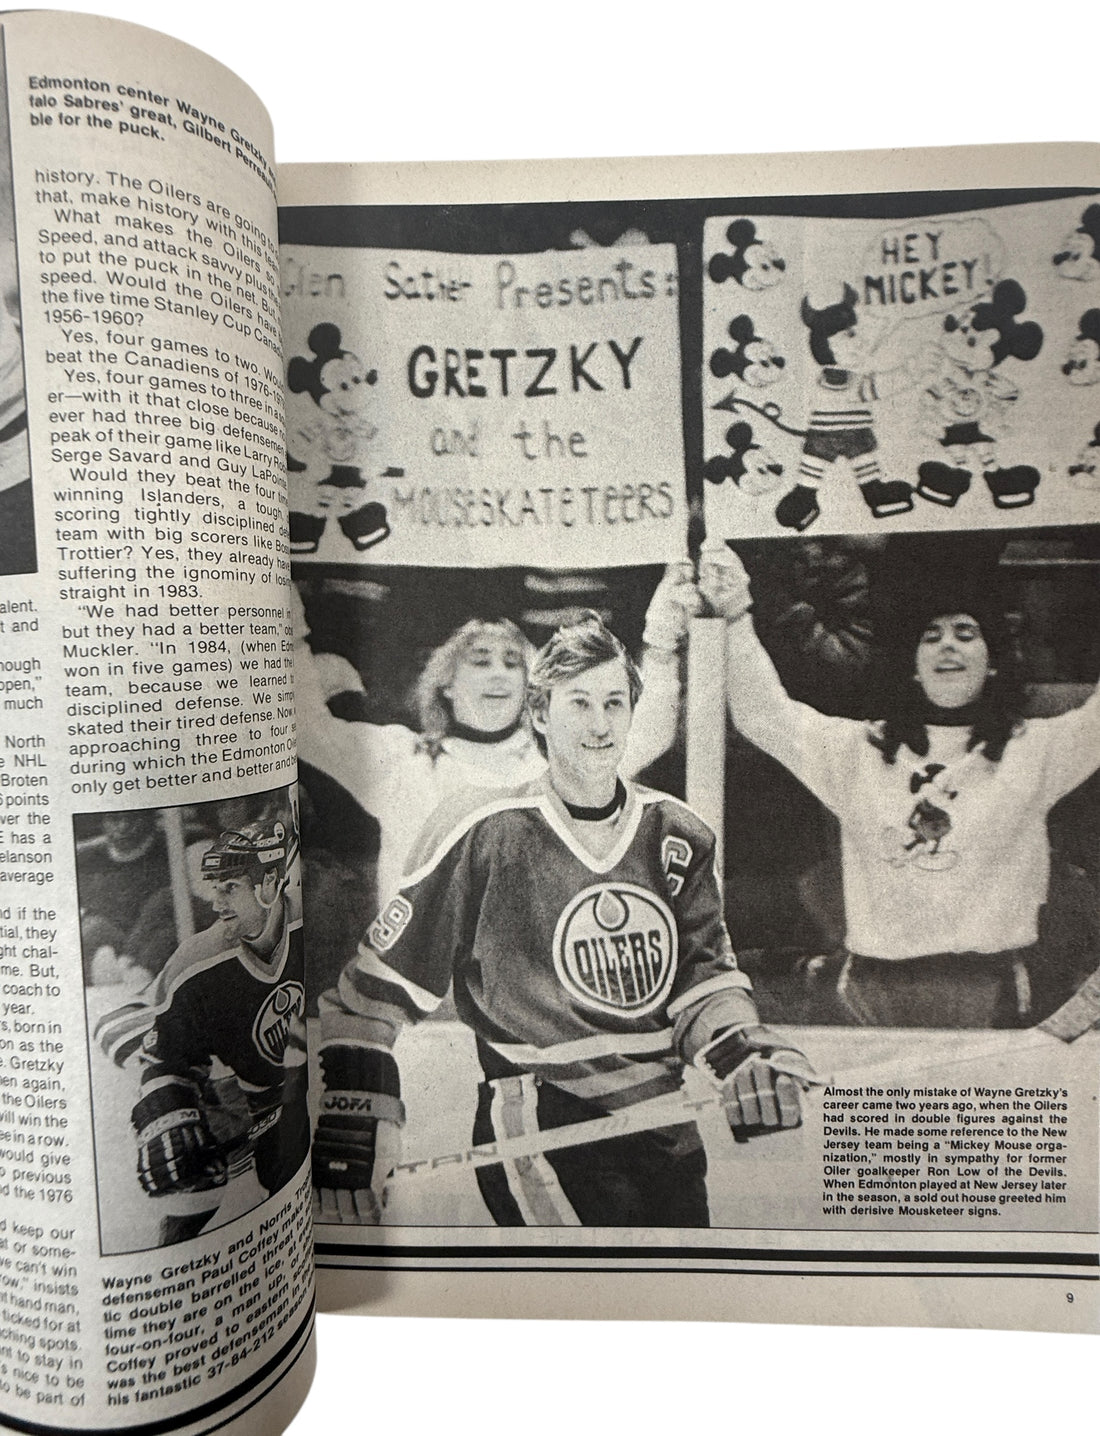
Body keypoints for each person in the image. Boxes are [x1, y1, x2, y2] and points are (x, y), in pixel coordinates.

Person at [312, 612, 814, 1228]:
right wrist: (356, 1103)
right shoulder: (481, 832)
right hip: (539, 1120)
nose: (599, 725)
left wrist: (743, 1055)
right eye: (578, 704)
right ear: (541, 716)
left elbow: (702, 982)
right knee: (596, 1303)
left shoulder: (676, 833)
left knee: (672, 1303)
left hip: (665, 1124)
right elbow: (373, 997)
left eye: (614, 703)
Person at [700, 547, 1100, 1028]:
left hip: (990, 989)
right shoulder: (861, 750)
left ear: (993, 661)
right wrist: (735, 611)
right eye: (931, 637)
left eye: (966, 634)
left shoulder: (1032, 751)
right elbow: (763, 715)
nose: (947, 646)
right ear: (913, 665)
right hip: (872, 992)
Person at [296, 566, 699, 905]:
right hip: (424, 990)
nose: (497, 674)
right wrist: (287, 626)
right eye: (480, 661)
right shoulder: (403, 758)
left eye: (511, 663)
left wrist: (661, 640)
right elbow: (311, 731)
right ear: (447, 684)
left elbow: (648, 733)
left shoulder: (556, 760)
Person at [95, 821, 308, 1244]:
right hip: (230, 1095)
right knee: (190, 1197)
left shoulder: (309, 924)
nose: (216, 904)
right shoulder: (200, 959)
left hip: (283, 1099)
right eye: (214, 888)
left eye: (229, 888)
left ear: (269, 885)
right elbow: (119, 1026)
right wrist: (165, 1101)